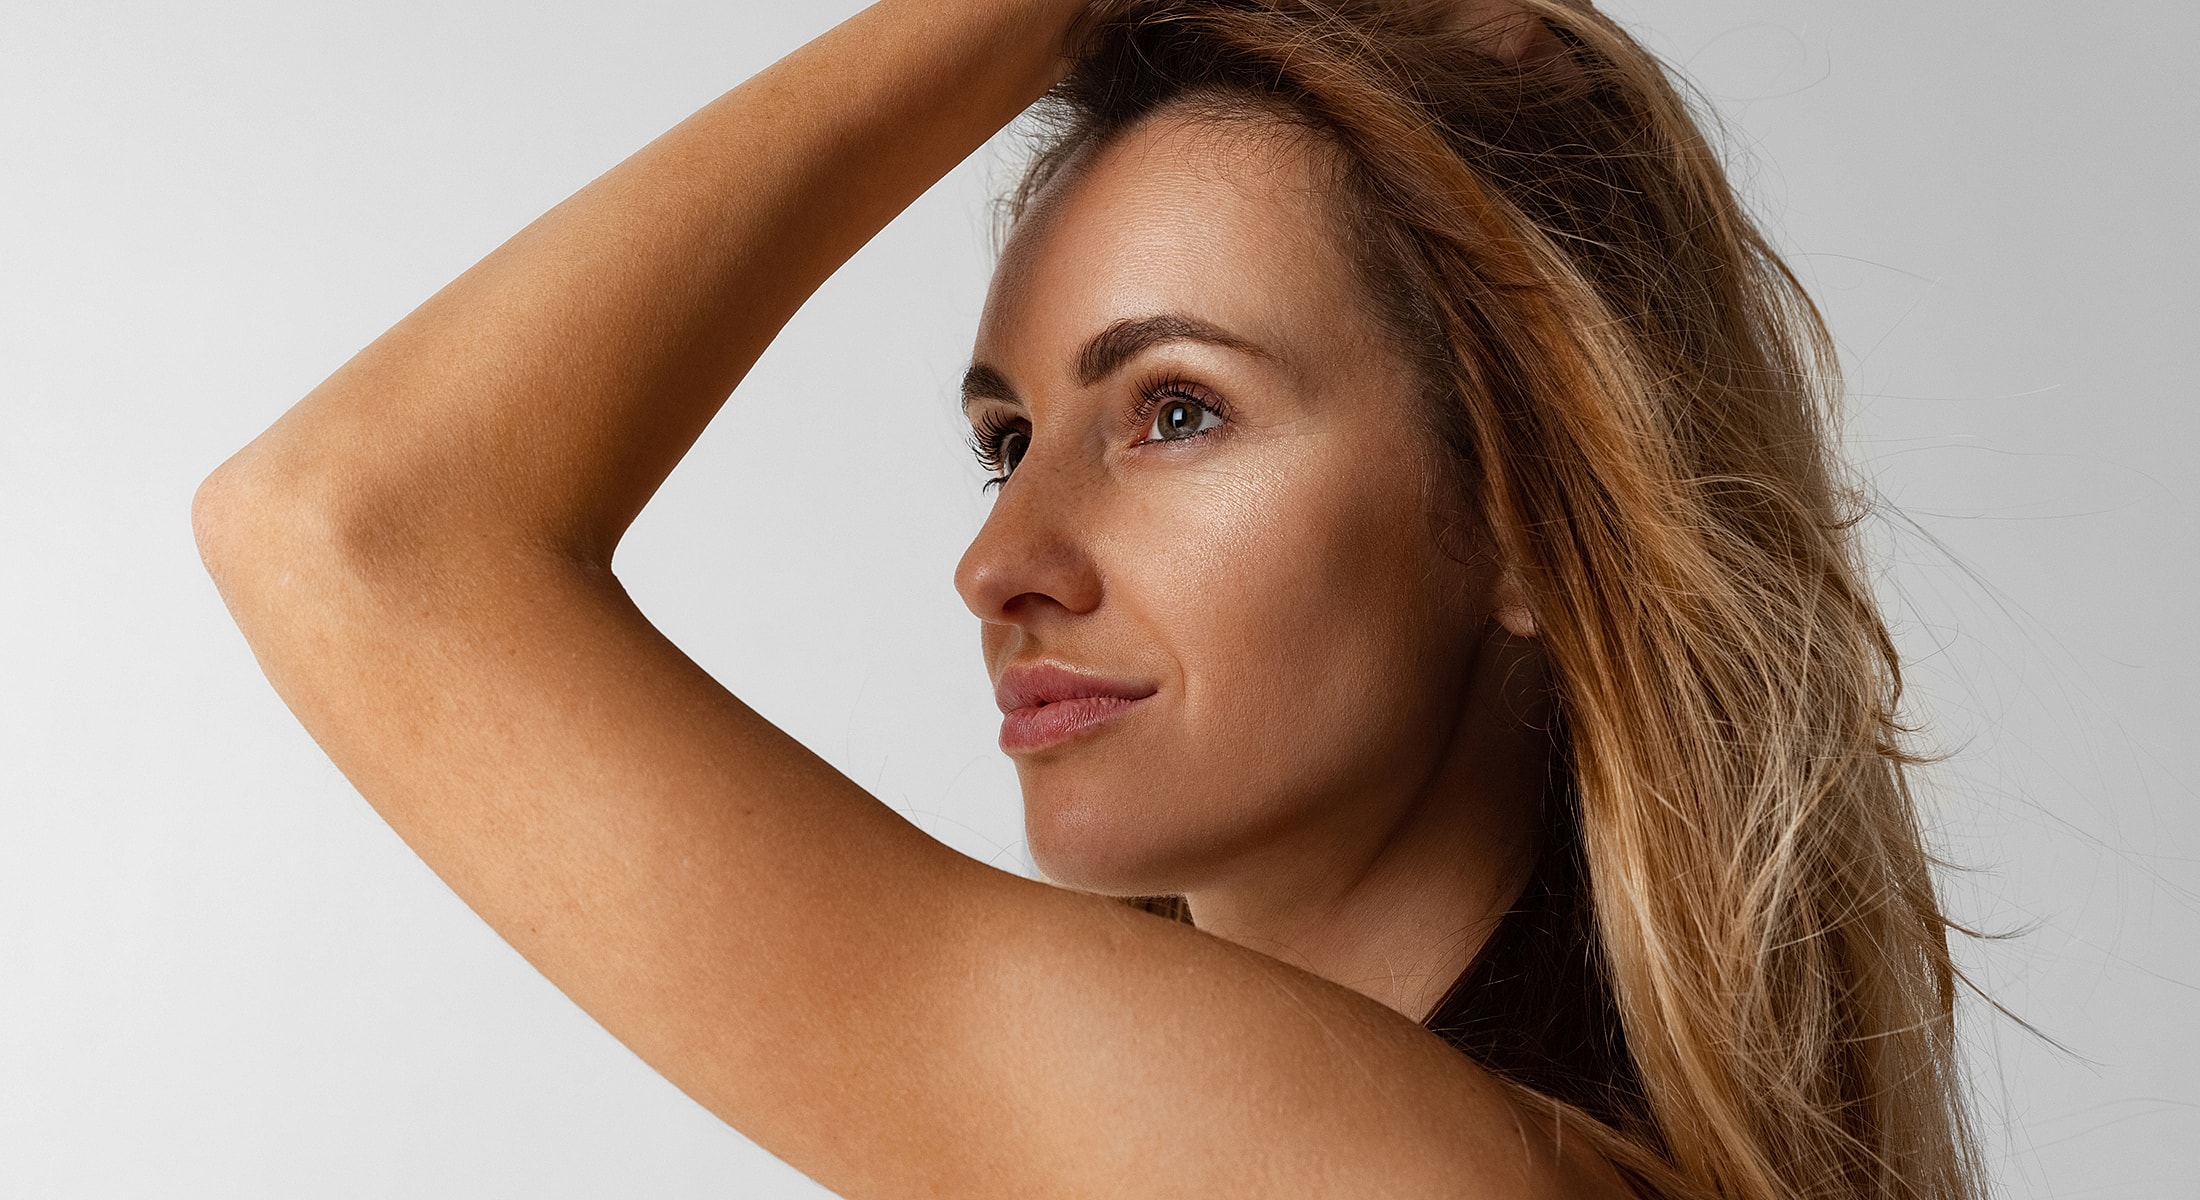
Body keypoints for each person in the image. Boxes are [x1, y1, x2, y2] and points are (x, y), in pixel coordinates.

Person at [191, 0, 1983, 1196]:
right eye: (1008, 441)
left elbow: (355, 530)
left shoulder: (1386, 1169)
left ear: (1523, 519)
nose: (1002, 565)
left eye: (1176, 411)